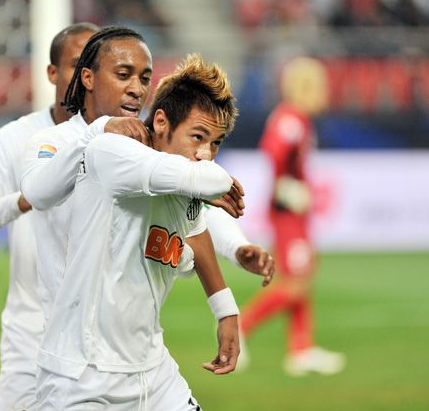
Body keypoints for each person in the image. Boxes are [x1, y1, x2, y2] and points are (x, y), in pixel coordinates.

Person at [33, 53, 242, 410]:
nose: (205, 154)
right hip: (83, 376)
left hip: (153, 372)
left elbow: (195, 230)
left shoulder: (186, 181)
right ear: (161, 121)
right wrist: (213, 180)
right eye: (198, 136)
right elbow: (204, 178)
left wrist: (225, 310)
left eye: (216, 142)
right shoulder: (112, 152)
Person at [0, 23, 100, 411]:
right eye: (77, 64)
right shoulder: (15, 139)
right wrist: (21, 201)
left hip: (106, 348)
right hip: (32, 345)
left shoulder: (125, 140)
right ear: (52, 73)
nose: (86, 77)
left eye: (96, 66)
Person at [238, 56, 346, 376]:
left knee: (303, 277)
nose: (326, 93)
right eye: (321, 86)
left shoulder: (297, 119)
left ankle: (301, 349)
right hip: (288, 215)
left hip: (295, 214)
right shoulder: (291, 120)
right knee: (295, 284)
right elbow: (274, 153)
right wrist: (287, 188)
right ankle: (238, 327)